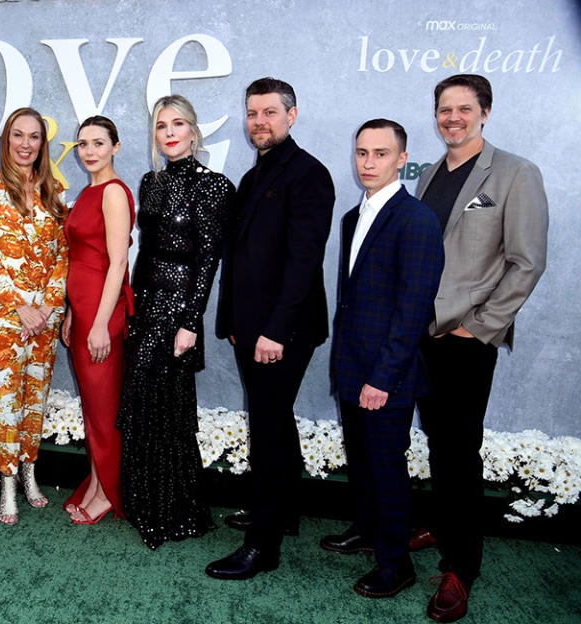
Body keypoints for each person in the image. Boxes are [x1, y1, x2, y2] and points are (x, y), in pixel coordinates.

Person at [413, 74, 548, 622]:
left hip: (467, 339)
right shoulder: (425, 175)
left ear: (485, 113)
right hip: (421, 334)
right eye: (444, 109)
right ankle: (443, 526)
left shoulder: (516, 172)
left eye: (464, 109)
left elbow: (527, 261)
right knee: (439, 440)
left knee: (458, 450)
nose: (452, 118)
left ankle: (461, 567)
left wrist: (481, 326)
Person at [207, 77, 334, 577]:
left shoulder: (308, 175)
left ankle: (263, 547)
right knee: (275, 422)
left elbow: (304, 262)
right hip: (252, 327)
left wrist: (275, 332)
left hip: (284, 330)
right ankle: (280, 515)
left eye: (269, 113)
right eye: (252, 113)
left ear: (292, 115)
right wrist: (235, 323)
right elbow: (239, 258)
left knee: (266, 429)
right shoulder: (255, 174)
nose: (259, 122)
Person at [321, 119, 444, 598]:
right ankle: (366, 530)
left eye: (380, 154)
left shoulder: (416, 221)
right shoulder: (354, 217)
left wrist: (383, 378)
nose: (368, 163)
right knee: (364, 460)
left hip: (385, 374)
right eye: (361, 153)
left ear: (401, 159)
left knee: (387, 467)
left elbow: (413, 309)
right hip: (352, 364)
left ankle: (397, 565)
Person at [117, 95, 234, 549]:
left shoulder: (215, 186)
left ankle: (177, 512)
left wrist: (190, 322)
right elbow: (144, 250)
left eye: (178, 123)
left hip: (178, 310)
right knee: (145, 405)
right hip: (145, 306)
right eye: (161, 125)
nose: (169, 132)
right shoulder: (150, 182)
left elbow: (208, 259)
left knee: (169, 410)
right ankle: (147, 503)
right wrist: (131, 304)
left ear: (193, 131)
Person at [0, 107, 68, 525]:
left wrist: (46, 307)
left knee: (34, 401)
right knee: (6, 401)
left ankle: (30, 473)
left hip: (43, 320)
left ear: (42, 144)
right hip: (1, 320)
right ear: (5, 140)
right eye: (17, 135)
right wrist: (21, 307)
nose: (25, 144)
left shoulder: (53, 190)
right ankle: (6, 482)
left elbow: (63, 255)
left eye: (34, 137)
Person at [60, 116, 135, 524]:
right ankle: (94, 484)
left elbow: (118, 261)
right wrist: (73, 312)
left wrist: (102, 322)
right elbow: (79, 259)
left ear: (116, 148)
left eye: (98, 143)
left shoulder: (113, 194)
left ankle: (108, 493)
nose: (89, 151)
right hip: (84, 310)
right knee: (93, 409)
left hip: (103, 314)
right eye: (83, 144)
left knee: (104, 412)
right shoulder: (87, 193)